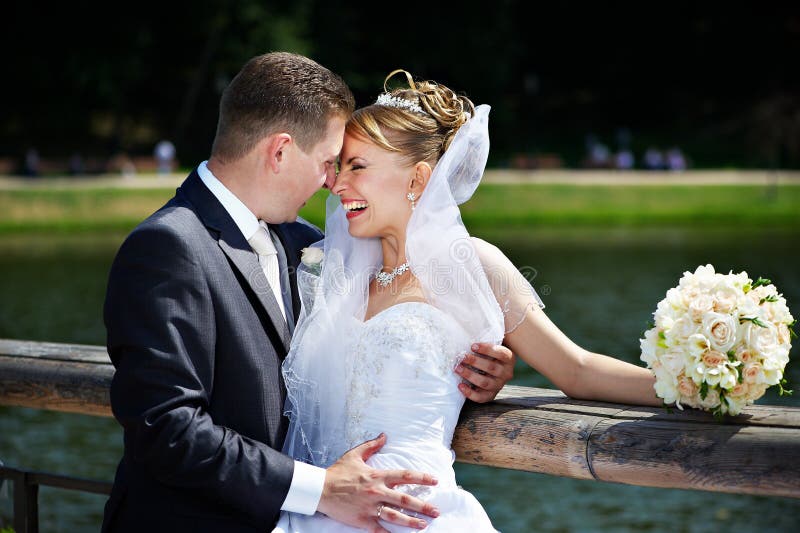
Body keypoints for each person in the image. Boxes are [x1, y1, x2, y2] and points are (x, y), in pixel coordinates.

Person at [102, 53, 514, 533]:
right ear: (279, 152)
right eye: (326, 162)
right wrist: (322, 489)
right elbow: (166, 430)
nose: (331, 183)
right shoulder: (169, 245)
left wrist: (475, 373)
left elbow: (365, 359)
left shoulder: (306, 244)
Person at [274, 71, 663, 532]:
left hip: (417, 516)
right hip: (320, 512)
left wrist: (687, 389)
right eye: (339, 167)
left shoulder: (471, 262)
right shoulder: (334, 272)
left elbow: (575, 368)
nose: (337, 186)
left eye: (358, 166)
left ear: (418, 177)